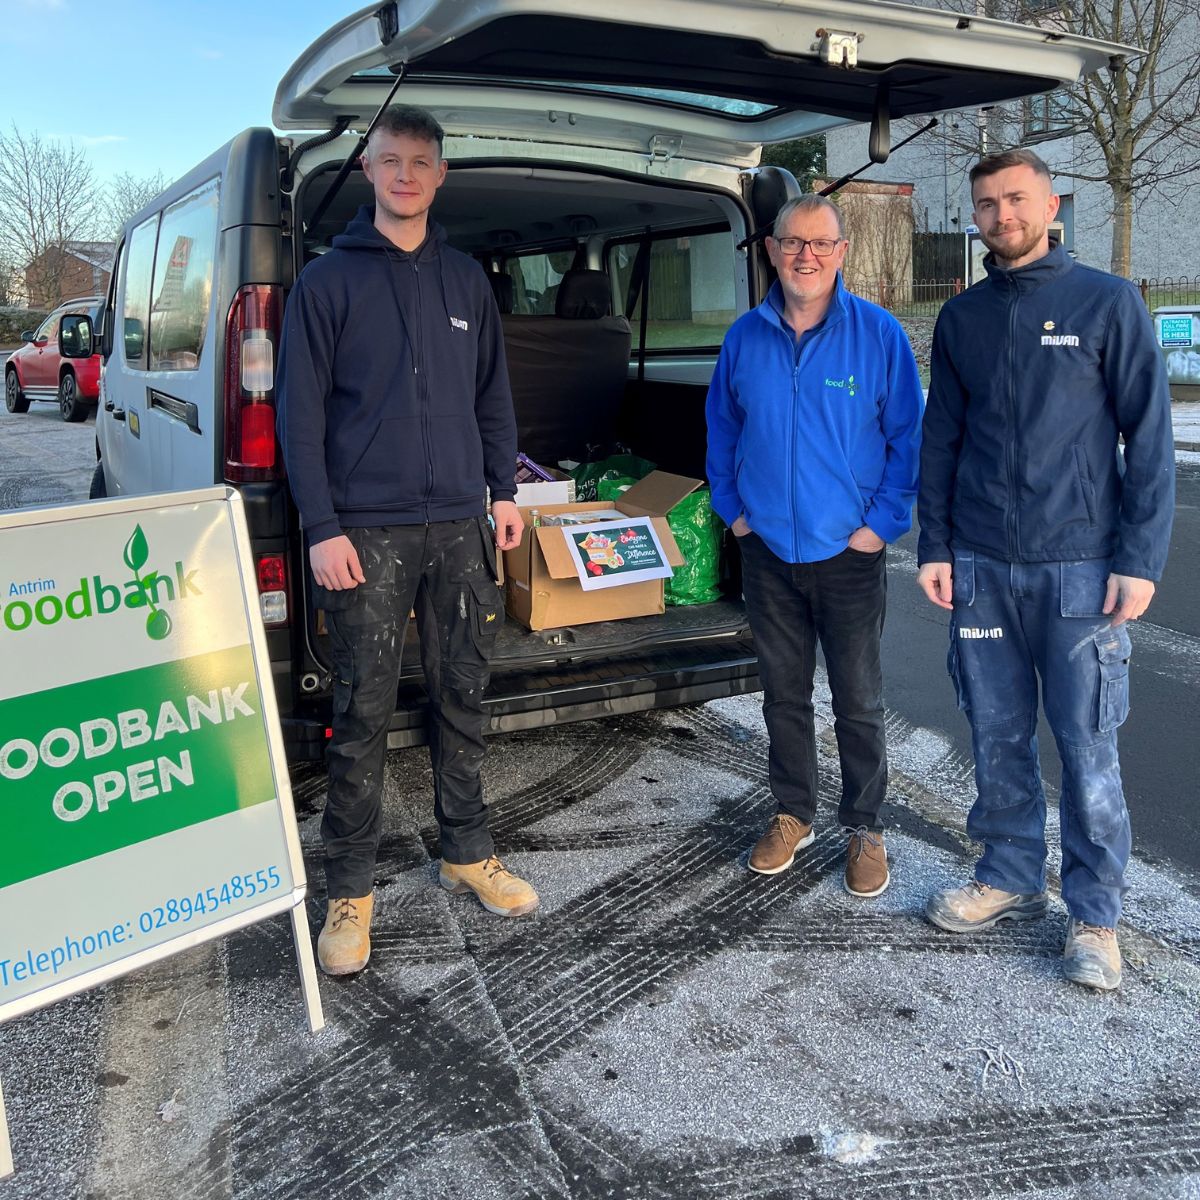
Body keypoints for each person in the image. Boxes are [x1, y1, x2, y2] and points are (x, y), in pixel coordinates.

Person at [276, 105, 538, 977]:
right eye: (390, 161)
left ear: (439, 176)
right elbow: (299, 417)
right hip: (367, 533)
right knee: (361, 712)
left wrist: (503, 493)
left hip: (463, 525)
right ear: (370, 172)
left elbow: (492, 397)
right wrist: (321, 527)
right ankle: (349, 891)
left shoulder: (466, 282)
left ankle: (467, 850)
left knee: (465, 689)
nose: (405, 176)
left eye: (420, 162)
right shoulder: (326, 285)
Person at [917, 149, 1174, 991]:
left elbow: (1151, 442)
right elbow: (943, 441)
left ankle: (1096, 917)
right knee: (995, 733)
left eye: (1016, 199)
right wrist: (937, 545)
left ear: (1051, 202)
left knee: (1087, 746)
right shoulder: (962, 319)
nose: (1002, 216)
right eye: (986, 204)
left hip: (1081, 568)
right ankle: (1009, 872)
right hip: (984, 566)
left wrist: (1137, 560)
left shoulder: (1106, 303)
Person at [706, 195, 923, 896]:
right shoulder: (745, 337)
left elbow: (907, 442)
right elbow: (723, 431)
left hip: (849, 555)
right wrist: (734, 511)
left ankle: (865, 825)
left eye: (821, 244)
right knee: (782, 696)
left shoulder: (879, 335)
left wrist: (881, 525)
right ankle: (793, 811)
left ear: (842, 251)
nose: (806, 256)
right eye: (793, 243)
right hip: (768, 551)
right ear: (771, 249)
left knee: (857, 699)